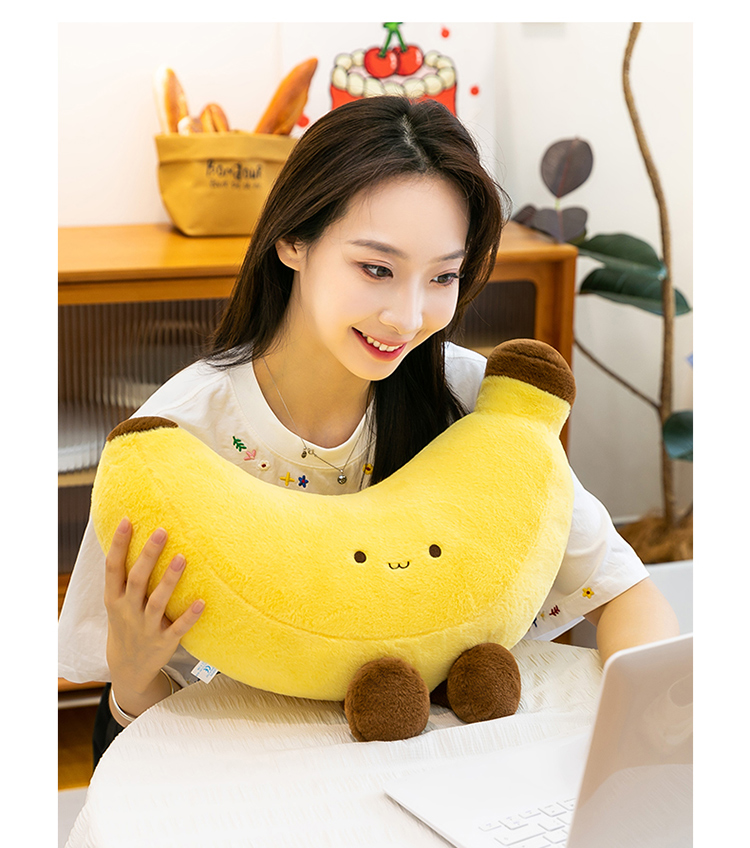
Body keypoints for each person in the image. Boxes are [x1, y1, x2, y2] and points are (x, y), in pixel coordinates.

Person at [58, 96, 678, 767]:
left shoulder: (475, 402)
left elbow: (627, 595)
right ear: (293, 241)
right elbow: (137, 731)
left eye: (442, 276)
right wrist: (131, 672)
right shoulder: (178, 439)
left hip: (439, 760)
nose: (407, 317)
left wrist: (649, 735)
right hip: (260, 763)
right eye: (377, 269)